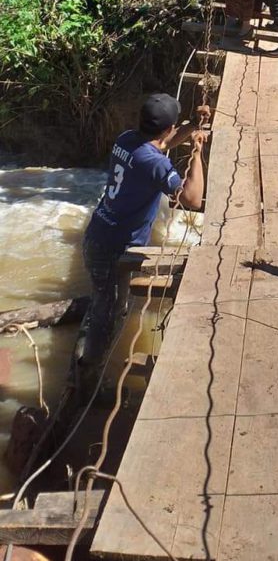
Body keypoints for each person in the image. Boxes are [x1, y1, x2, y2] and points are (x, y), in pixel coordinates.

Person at [82, 95, 209, 366]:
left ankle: (91, 365)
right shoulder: (155, 164)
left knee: (105, 305)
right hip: (114, 247)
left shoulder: (126, 139)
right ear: (166, 129)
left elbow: (161, 145)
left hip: (98, 235)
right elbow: (193, 199)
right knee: (108, 316)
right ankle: (89, 375)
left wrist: (191, 125)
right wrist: (196, 153)